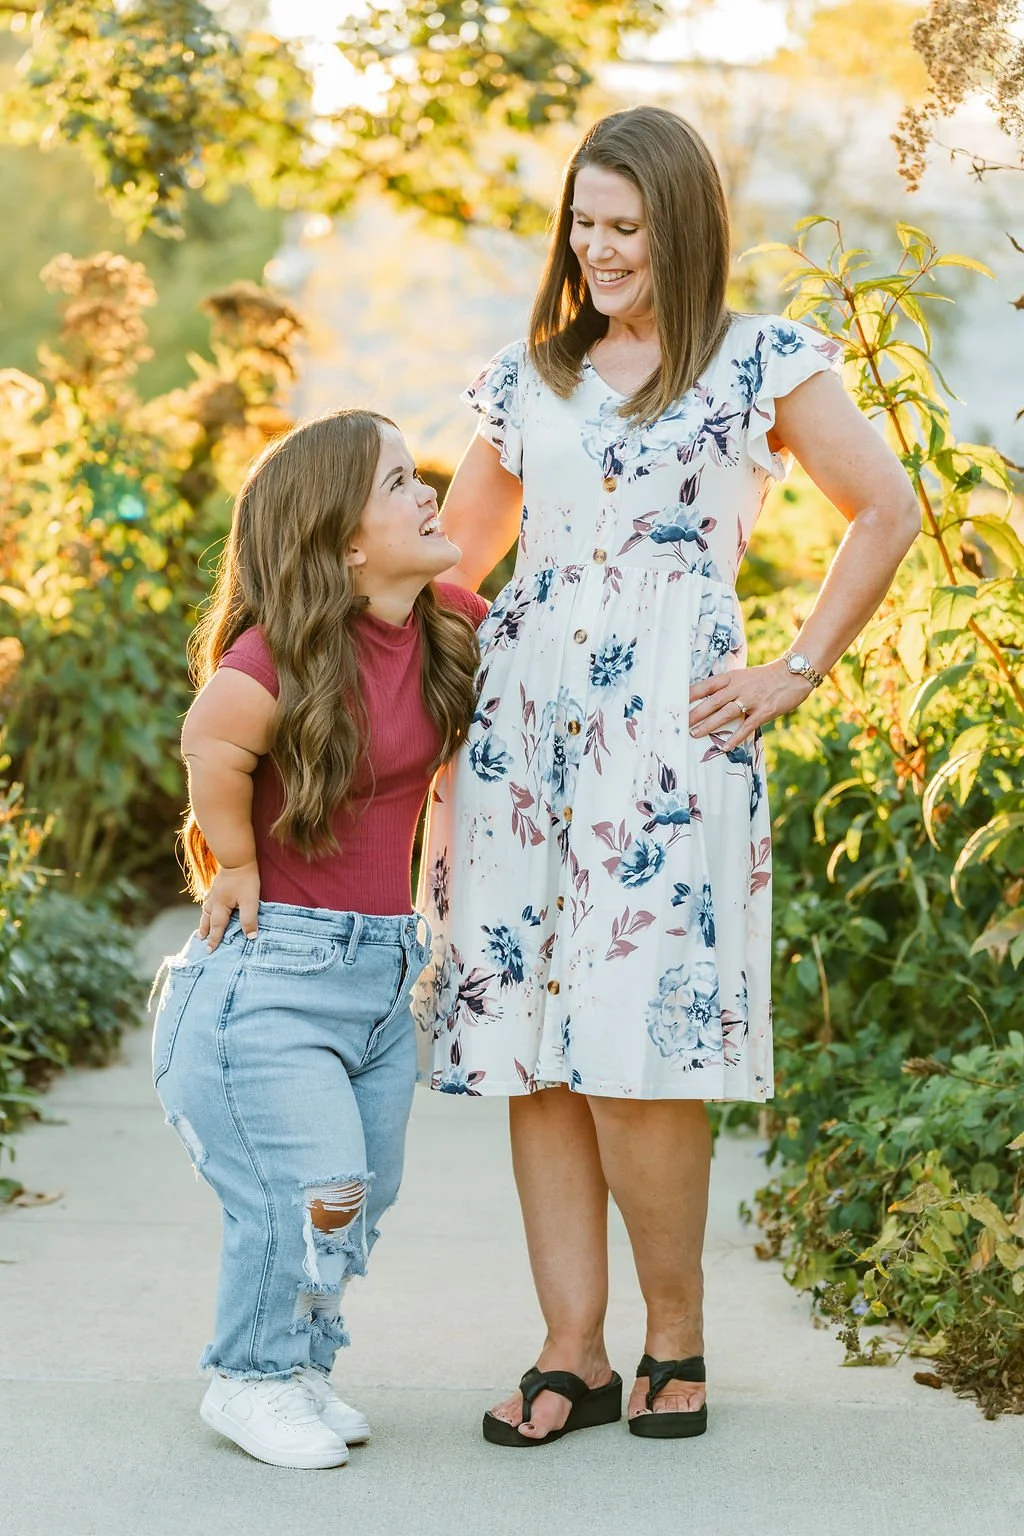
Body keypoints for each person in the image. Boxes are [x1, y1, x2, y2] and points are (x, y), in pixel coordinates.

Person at [413, 105, 920, 1445]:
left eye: (625, 225)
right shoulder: (528, 377)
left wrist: (799, 667)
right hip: (522, 742)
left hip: (669, 737)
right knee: (538, 1052)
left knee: (641, 1045)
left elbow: (887, 507)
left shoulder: (761, 362)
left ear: (682, 224)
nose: (598, 248)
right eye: (584, 223)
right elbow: (453, 572)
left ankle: (676, 1336)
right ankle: (572, 1350)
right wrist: (393, 731)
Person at [151, 410, 487, 1469]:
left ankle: (297, 1364)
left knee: (361, 1195)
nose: (428, 492)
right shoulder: (281, 652)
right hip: (272, 979)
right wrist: (237, 863)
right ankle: (246, 1381)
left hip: (382, 976)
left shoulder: (437, 622)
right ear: (344, 542)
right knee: (308, 1189)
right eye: (399, 483)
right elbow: (212, 736)